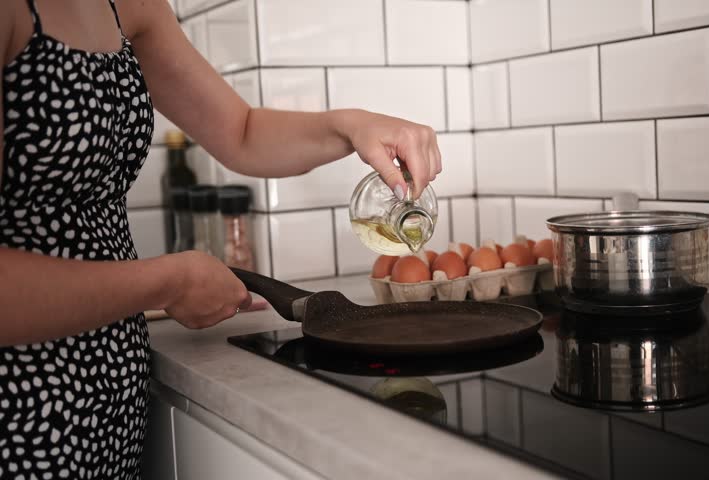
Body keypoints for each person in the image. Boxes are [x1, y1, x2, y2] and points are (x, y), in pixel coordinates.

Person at [0, 0, 442, 477]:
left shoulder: (130, 5)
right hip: (20, 406)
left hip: (106, 400)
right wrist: (166, 282)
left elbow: (242, 132)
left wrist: (353, 125)